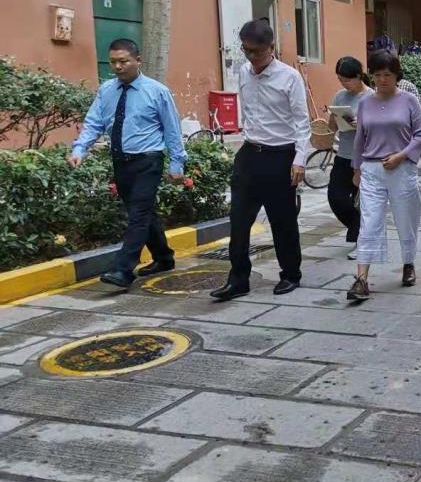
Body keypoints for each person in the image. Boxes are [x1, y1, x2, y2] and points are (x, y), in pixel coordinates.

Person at [68, 38, 185, 289]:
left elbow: (172, 129)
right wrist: (80, 148)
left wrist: (177, 163)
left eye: (123, 61)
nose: (118, 67)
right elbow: (94, 122)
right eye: (113, 62)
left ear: (138, 60)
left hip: (148, 161)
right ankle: (164, 258)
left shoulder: (157, 91)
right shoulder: (106, 90)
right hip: (120, 161)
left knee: (139, 214)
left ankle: (123, 270)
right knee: (142, 213)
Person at [212, 20, 310, 301]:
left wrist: (300, 160)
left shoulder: (290, 77)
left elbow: (302, 122)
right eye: (246, 50)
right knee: (238, 220)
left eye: (257, 51)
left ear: (271, 47)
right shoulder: (244, 71)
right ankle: (238, 279)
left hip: (280, 156)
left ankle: (290, 274)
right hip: (249, 154)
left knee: (283, 220)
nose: (252, 56)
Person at [347, 50, 421, 301]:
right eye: (378, 74)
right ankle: (361, 278)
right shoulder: (365, 103)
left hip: (401, 169)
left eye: (388, 75)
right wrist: (356, 169)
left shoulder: (409, 100)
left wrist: (401, 156)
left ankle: (408, 263)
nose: (382, 79)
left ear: (396, 76)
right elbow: (360, 138)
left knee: (406, 220)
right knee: (369, 222)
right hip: (372, 170)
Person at [327, 57, 371, 261]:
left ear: (359, 76)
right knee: (336, 198)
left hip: (365, 157)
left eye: (347, 80)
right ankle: (358, 229)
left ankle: (361, 239)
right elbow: (331, 126)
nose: (344, 84)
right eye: (340, 80)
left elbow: (380, 130)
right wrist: (334, 118)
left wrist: (361, 124)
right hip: (343, 154)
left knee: (365, 202)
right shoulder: (339, 96)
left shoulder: (372, 97)